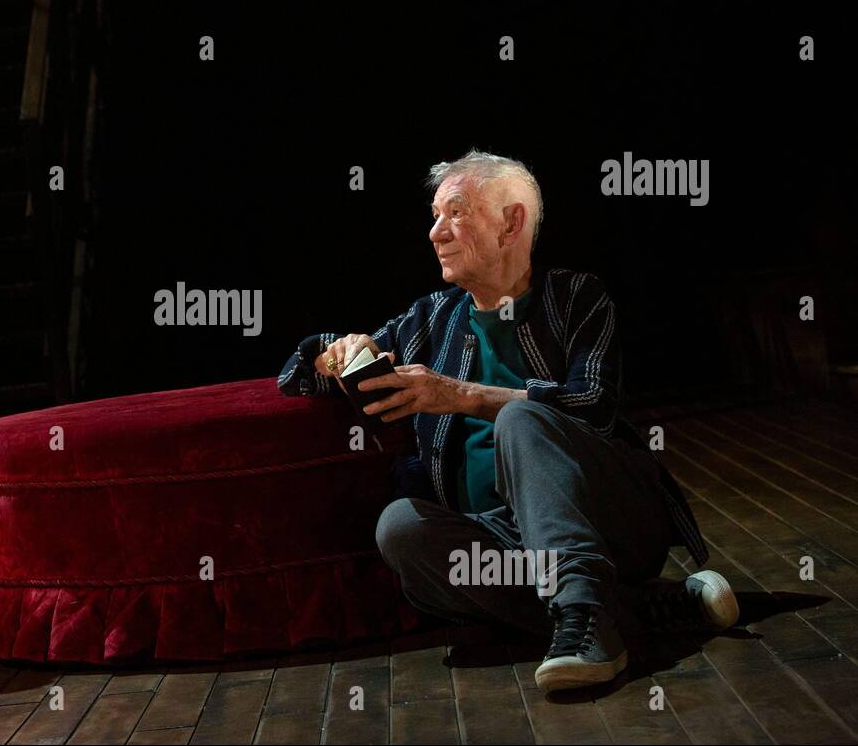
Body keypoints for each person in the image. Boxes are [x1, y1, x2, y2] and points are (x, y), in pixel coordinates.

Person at [276, 149, 738, 692]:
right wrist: (334, 351)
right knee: (399, 527)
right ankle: (623, 610)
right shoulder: (429, 319)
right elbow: (296, 374)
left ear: (511, 222)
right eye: (434, 216)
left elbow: (593, 405)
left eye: (455, 213)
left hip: (610, 519)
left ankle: (588, 618)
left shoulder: (578, 297)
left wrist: (462, 396)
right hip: (505, 548)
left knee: (522, 418)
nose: (435, 233)